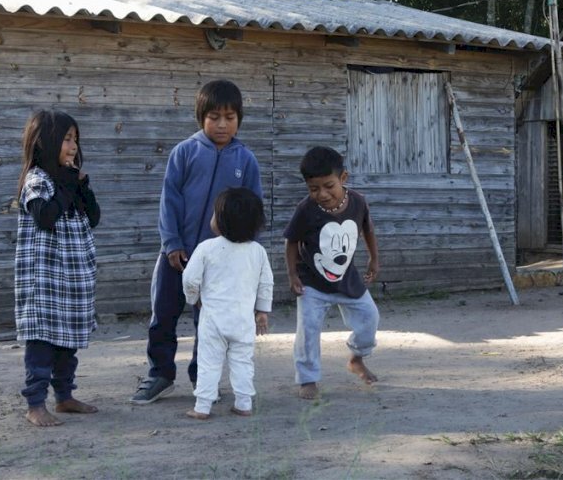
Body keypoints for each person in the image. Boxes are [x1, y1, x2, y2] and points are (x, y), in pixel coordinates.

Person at [130, 80, 263, 405]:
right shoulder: (184, 153)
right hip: (177, 256)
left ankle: (202, 378)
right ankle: (160, 374)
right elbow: (169, 201)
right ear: (201, 117)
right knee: (163, 315)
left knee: (210, 323)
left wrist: (240, 252)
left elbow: (253, 208)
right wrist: (172, 243)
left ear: (239, 119)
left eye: (230, 117)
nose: (222, 124)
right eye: (214, 117)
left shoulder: (245, 161)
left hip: (219, 264)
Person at [15, 109, 102, 427]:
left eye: (76, 140)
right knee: (42, 342)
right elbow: (45, 217)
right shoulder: (37, 180)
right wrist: (66, 186)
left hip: (73, 277)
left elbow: (94, 218)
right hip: (45, 279)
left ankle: (64, 397)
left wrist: (82, 187)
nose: (73, 146)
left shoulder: (71, 180)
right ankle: (35, 404)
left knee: (68, 342)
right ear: (46, 143)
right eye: (67, 139)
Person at [284, 146, 380, 400]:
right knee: (308, 330)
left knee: (370, 317)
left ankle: (356, 358)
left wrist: (374, 259)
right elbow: (291, 241)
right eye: (314, 189)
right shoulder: (305, 210)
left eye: (329, 186)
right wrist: (292, 274)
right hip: (312, 283)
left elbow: (368, 229)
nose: (322, 194)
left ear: (343, 178)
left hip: (347, 279)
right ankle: (308, 379)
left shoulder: (357, 202)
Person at [182, 188, 273, 419]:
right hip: (243, 321)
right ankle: (243, 404)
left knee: (208, 362)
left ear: (220, 221)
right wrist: (262, 311)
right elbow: (266, 283)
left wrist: (195, 299)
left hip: (213, 320)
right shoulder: (258, 252)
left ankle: (202, 406)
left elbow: (190, 279)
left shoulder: (206, 248)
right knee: (242, 361)